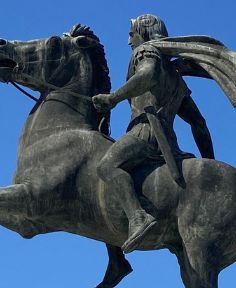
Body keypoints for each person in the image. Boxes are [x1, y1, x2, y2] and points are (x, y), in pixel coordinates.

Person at [89, 14, 217, 254]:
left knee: (106, 166)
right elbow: (199, 123)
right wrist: (210, 162)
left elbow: (146, 75)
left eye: (131, 34)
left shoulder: (146, 52)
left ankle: (138, 217)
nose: (129, 41)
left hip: (144, 134)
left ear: (144, 33)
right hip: (169, 146)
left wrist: (113, 98)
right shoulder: (175, 77)